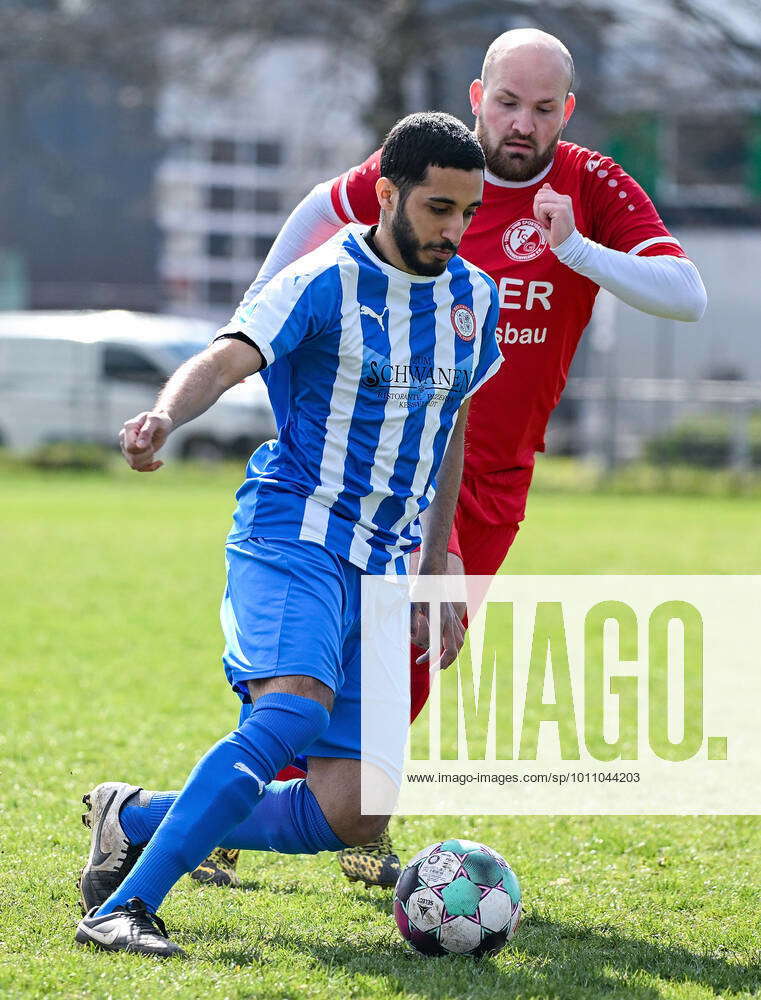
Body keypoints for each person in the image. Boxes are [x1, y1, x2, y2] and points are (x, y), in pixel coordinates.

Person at [182, 26, 708, 891]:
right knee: (341, 650)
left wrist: (575, 248)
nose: (521, 125)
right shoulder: (434, 171)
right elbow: (322, 206)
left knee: (420, 654)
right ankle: (250, 818)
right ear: (476, 95)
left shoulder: (590, 185)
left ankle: (326, 812)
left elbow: (684, 296)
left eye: (543, 109)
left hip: (495, 475)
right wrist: (252, 322)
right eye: (506, 102)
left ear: (566, 111)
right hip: (390, 459)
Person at [74, 111, 503, 957]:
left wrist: (435, 569)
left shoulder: (472, 298)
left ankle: (134, 817)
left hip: (385, 564)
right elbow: (227, 355)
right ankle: (125, 907)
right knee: (291, 713)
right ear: (388, 192)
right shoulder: (322, 278)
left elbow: (450, 429)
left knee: (353, 811)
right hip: (293, 533)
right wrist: (164, 414)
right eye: (437, 209)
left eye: (467, 211)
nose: (454, 230)